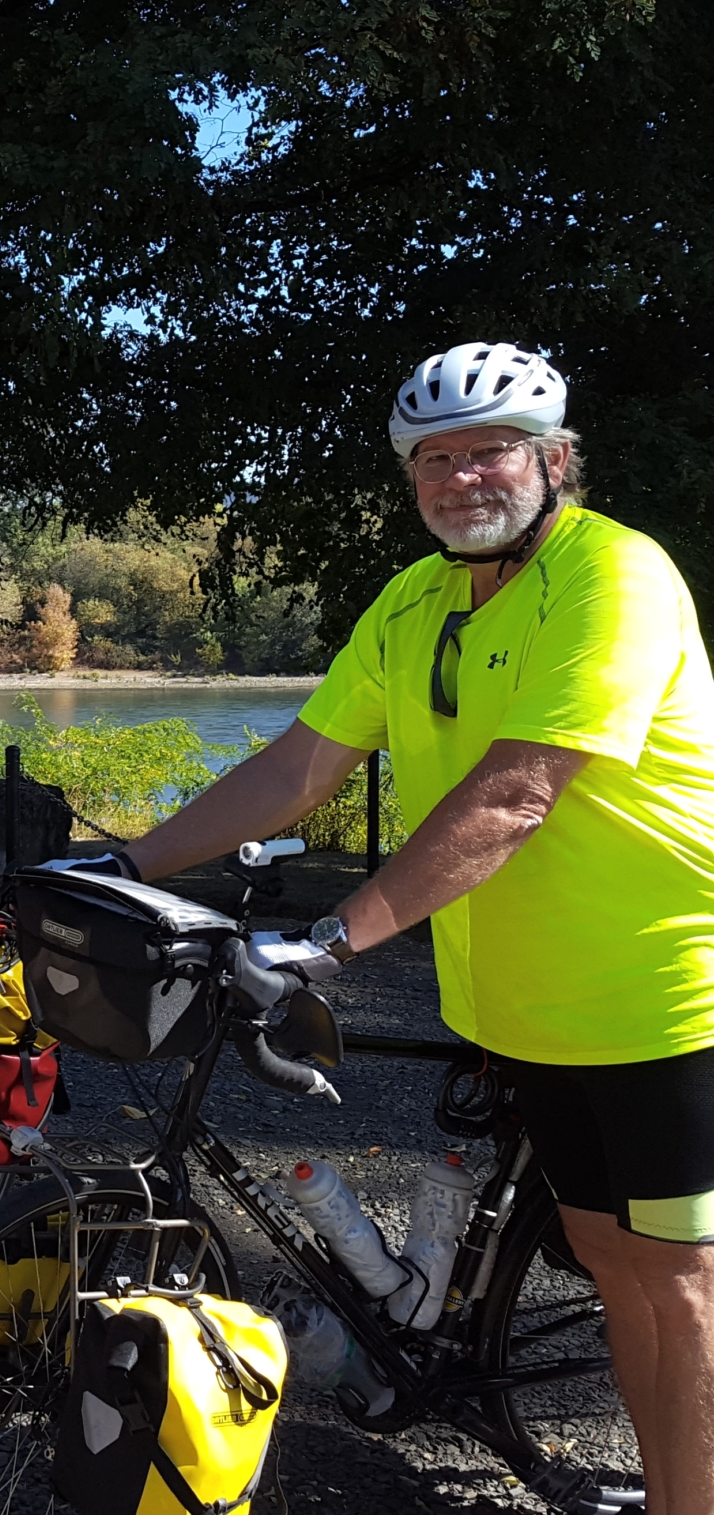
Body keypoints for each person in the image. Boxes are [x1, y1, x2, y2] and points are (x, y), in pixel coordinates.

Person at [63, 342, 714, 1509]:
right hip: (523, 1011)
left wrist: (332, 938)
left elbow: (518, 791)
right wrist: (123, 860)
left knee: (679, 1286)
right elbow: (299, 763)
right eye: (434, 460)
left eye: (490, 452)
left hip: (663, 1000)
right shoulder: (413, 600)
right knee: (620, 1274)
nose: (461, 478)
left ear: (554, 459)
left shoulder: (615, 576)